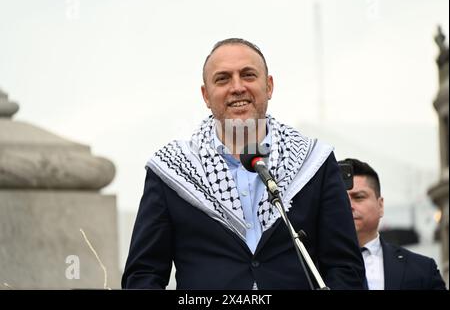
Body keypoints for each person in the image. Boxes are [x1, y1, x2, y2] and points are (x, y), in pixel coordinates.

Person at [122, 38, 366, 289]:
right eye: (223, 79)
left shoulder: (313, 162)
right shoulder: (173, 169)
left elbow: (345, 267)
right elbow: (144, 273)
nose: (237, 87)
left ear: (269, 86)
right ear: (206, 95)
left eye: (248, 75)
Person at [339, 158, 447, 290]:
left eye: (359, 197)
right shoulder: (312, 269)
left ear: (380, 205)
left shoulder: (422, 269)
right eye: (340, 199)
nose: (349, 205)